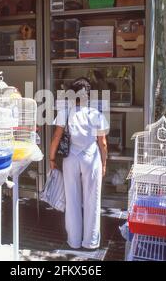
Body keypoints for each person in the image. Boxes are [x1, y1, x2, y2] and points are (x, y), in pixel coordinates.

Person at [49, 78, 109, 250]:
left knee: (72, 199)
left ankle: (74, 241)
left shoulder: (65, 112)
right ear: (88, 96)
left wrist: (52, 159)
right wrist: (104, 163)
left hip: (71, 159)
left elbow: (56, 138)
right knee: (92, 199)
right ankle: (90, 242)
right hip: (91, 158)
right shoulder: (96, 114)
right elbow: (102, 143)